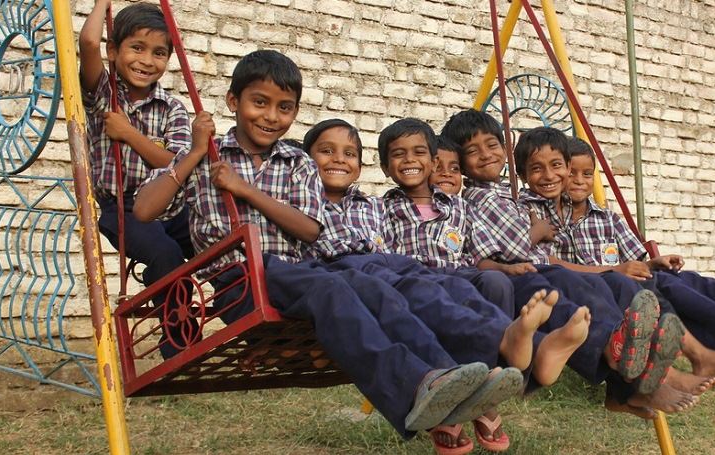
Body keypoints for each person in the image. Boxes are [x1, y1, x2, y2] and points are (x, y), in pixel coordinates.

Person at [132, 50, 514, 442]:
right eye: (258, 102)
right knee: (332, 287)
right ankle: (417, 385)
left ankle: (444, 375)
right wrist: (195, 151)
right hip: (242, 279)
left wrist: (243, 189)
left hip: (296, 270)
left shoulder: (298, 162)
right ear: (233, 101)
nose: (270, 116)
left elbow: (311, 230)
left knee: (372, 287)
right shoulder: (206, 157)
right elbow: (144, 209)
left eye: (284, 108)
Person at [303, 118, 588, 453]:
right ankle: (484, 398)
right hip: (413, 277)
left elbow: (478, 249)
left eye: (419, 153)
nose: (409, 161)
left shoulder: (455, 206)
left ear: (432, 162)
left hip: (456, 273)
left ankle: (512, 361)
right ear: (383, 166)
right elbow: (382, 255)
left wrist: (499, 264)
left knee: (487, 283)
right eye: (399, 155)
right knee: (435, 298)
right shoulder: (383, 207)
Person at [441, 109, 703, 416]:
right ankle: (627, 361)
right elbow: (512, 247)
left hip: (542, 269)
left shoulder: (508, 191)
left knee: (613, 284)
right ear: (461, 162)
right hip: (524, 276)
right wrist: (536, 230)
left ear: (504, 144)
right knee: (571, 299)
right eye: (472, 151)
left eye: (492, 145)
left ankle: (631, 382)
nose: (486, 155)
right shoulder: (476, 198)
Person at [559, 135, 715, 353]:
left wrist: (654, 262)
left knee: (684, 278)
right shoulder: (556, 220)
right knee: (666, 283)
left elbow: (637, 262)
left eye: (587, 174)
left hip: (626, 282)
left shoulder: (607, 219)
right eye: (572, 174)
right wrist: (618, 271)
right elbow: (554, 269)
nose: (580, 180)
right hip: (595, 292)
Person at [79, 0, 194, 358]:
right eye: (137, 48)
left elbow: (178, 163)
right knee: (166, 253)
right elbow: (86, 43)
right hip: (124, 210)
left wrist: (129, 134)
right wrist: (102, 3)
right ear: (114, 51)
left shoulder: (171, 107)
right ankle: (177, 344)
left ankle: (179, 289)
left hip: (170, 206)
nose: (147, 61)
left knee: (213, 236)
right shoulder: (104, 94)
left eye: (159, 53)